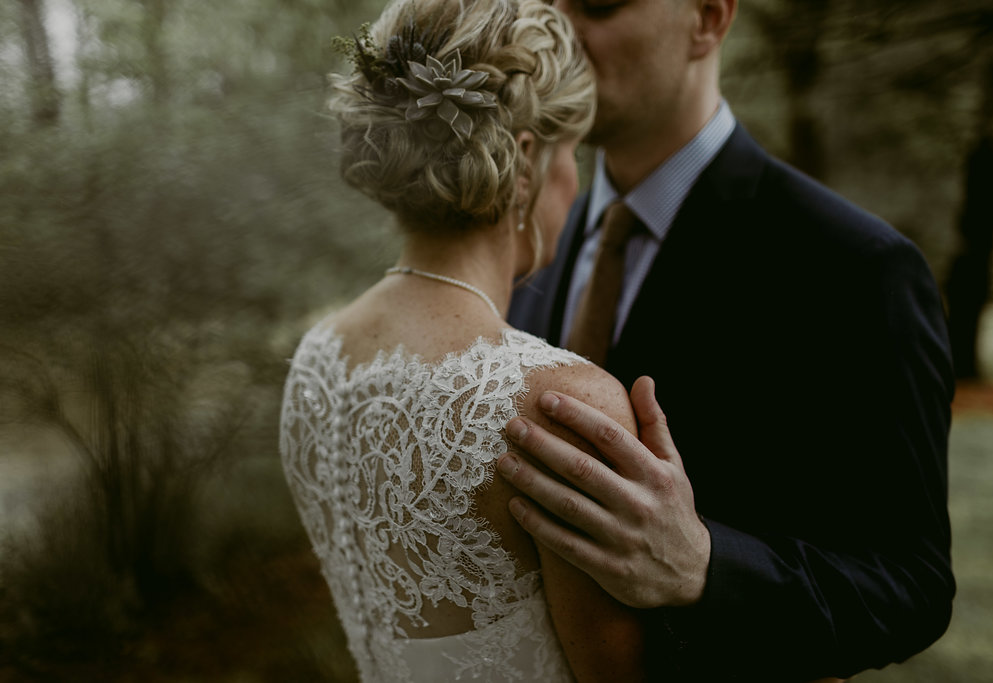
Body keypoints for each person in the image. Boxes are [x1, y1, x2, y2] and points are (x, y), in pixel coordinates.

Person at [501, 0, 956, 681]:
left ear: (709, 18)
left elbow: (912, 586)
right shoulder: (522, 246)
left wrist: (705, 566)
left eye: (596, 4)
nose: (557, 32)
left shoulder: (857, 269)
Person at [279, 1, 647, 681]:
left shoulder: (317, 358)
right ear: (528, 161)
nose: (578, 184)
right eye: (573, 154)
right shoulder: (560, 401)